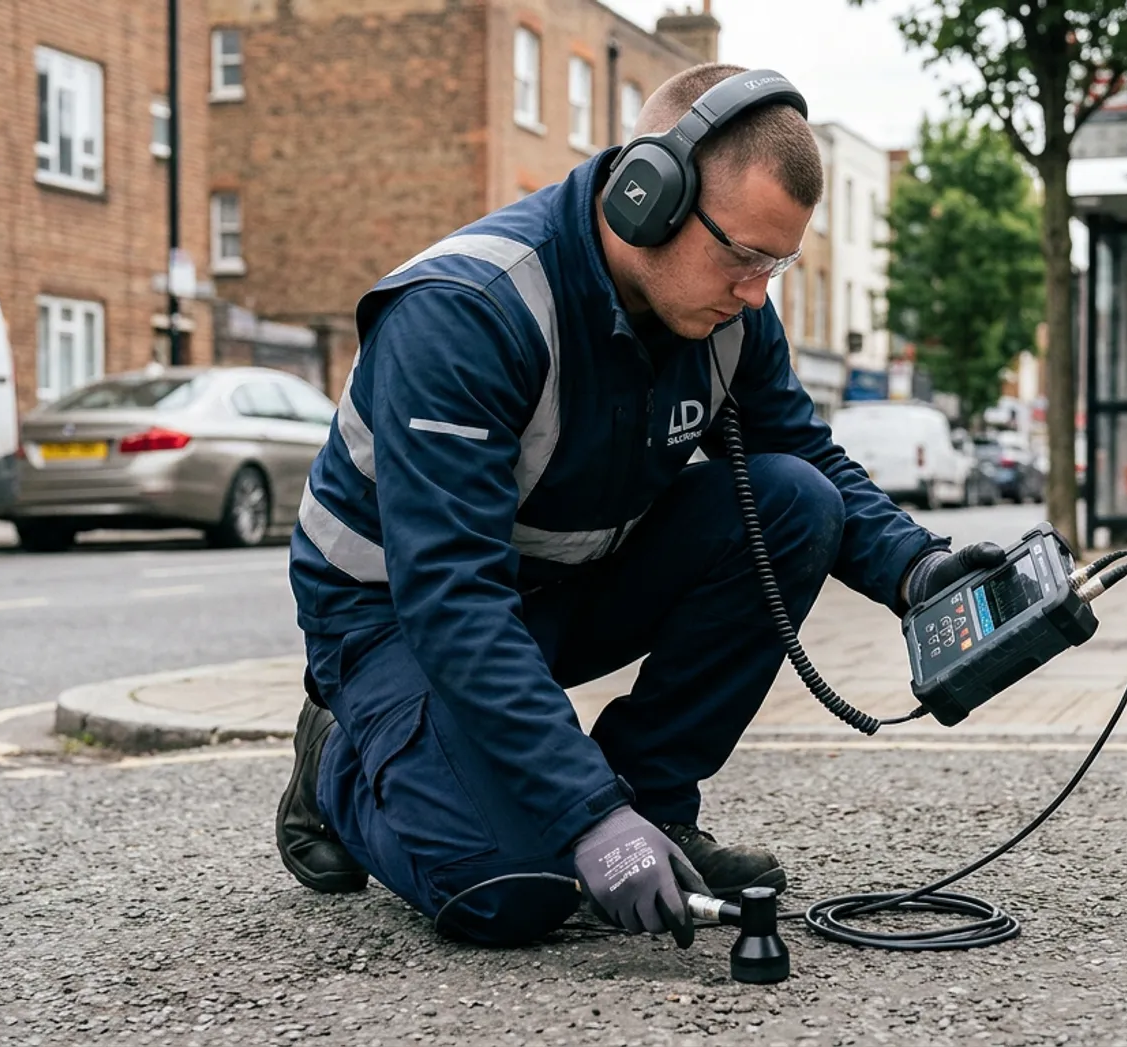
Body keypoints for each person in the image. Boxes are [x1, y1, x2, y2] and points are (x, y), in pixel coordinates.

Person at [274, 65, 1005, 949]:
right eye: (743, 255)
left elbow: (800, 455)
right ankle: (338, 765)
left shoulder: (725, 310)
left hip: (561, 587)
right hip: (397, 618)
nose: (756, 291)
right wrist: (585, 817)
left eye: (777, 263)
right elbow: (452, 599)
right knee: (518, 890)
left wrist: (916, 569)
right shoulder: (464, 315)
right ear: (645, 196)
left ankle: (653, 807)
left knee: (794, 503)